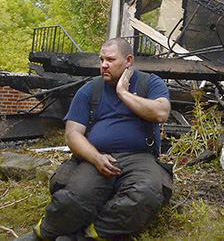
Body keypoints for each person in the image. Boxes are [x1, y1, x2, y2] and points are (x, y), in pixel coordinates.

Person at [18, 38, 173, 241]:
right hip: (97, 156)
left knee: (145, 195)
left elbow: (160, 113)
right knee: (74, 197)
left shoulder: (149, 83)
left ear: (128, 60)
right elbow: (73, 134)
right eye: (101, 60)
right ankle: (43, 234)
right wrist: (95, 158)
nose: (103, 65)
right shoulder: (90, 90)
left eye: (110, 59)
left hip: (139, 157)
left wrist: (123, 93)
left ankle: (86, 236)